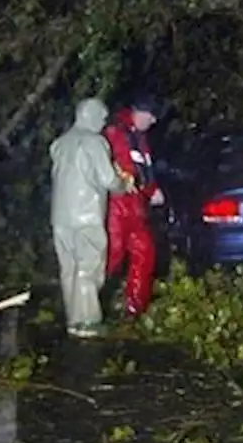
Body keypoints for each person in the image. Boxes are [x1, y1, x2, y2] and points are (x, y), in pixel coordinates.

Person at [49, 98, 132, 338]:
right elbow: (108, 180)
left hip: (61, 217)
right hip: (86, 216)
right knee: (88, 268)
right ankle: (87, 322)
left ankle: (72, 320)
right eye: (102, 117)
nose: (104, 123)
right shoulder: (95, 142)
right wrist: (124, 183)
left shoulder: (59, 143)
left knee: (68, 268)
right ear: (90, 115)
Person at [104, 93, 166, 317]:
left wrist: (152, 190)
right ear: (139, 112)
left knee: (145, 252)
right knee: (113, 256)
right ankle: (90, 302)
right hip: (117, 206)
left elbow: (143, 170)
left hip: (136, 207)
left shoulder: (139, 137)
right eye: (151, 116)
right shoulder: (115, 132)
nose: (153, 122)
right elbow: (120, 168)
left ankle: (134, 309)